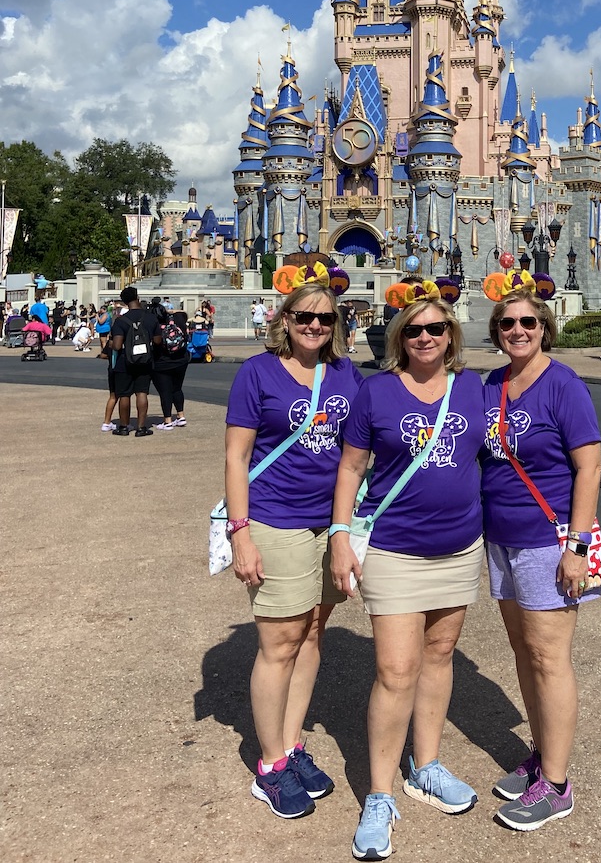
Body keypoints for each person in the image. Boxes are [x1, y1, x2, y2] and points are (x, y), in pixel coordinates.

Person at [330, 281, 485, 861]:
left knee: (439, 657)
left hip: (459, 547)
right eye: (414, 330)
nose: (425, 338)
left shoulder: (473, 388)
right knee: (396, 670)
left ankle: (428, 763)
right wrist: (341, 537)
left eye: (435, 329)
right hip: (394, 547)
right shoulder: (377, 393)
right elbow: (350, 470)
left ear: (451, 336)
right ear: (399, 337)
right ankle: (379, 792)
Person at [225, 270, 363, 820]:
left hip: (326, 524)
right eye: (303, 315)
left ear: (336, 325)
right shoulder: (258, 373)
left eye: (324, 318)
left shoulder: (346, 374)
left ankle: (290, 743)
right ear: (285, 319)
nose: (313, 325)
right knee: (280, 642)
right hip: (274, 520)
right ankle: (269, 765)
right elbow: (236, 457)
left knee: (311, 633)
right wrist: (241, 534)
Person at [480, 275, 601, 831]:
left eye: (528, 322)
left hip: (548, 539)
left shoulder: (564, 385)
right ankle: (540, 755)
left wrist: (577, 547)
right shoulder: (492, 384)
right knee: (525, 654)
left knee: (550, 658)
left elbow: (590, 467)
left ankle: (556, 784)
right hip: (500, 539)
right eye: (507, 323)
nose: (518, 331)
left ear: (544, 328)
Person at [109, 287, 162, 437]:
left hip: (124, 361)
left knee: (124, 394)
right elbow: (158, 341)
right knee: (142, 392)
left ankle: (124, 426)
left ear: (124, 302)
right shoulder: (150, 318)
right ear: (137, 297)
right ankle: (141, 427)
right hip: (144, 361)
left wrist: (110, 344)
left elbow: (117, 345)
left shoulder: (120, 321)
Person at [151, 304, 192, 429]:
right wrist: (171, 311)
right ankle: (181, 416)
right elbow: (185, 314)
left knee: (165, 392)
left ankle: (167, 420)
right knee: (177, 388)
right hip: (180, 360)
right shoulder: (178, 319)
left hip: (162, 362)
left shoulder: (154, 324)